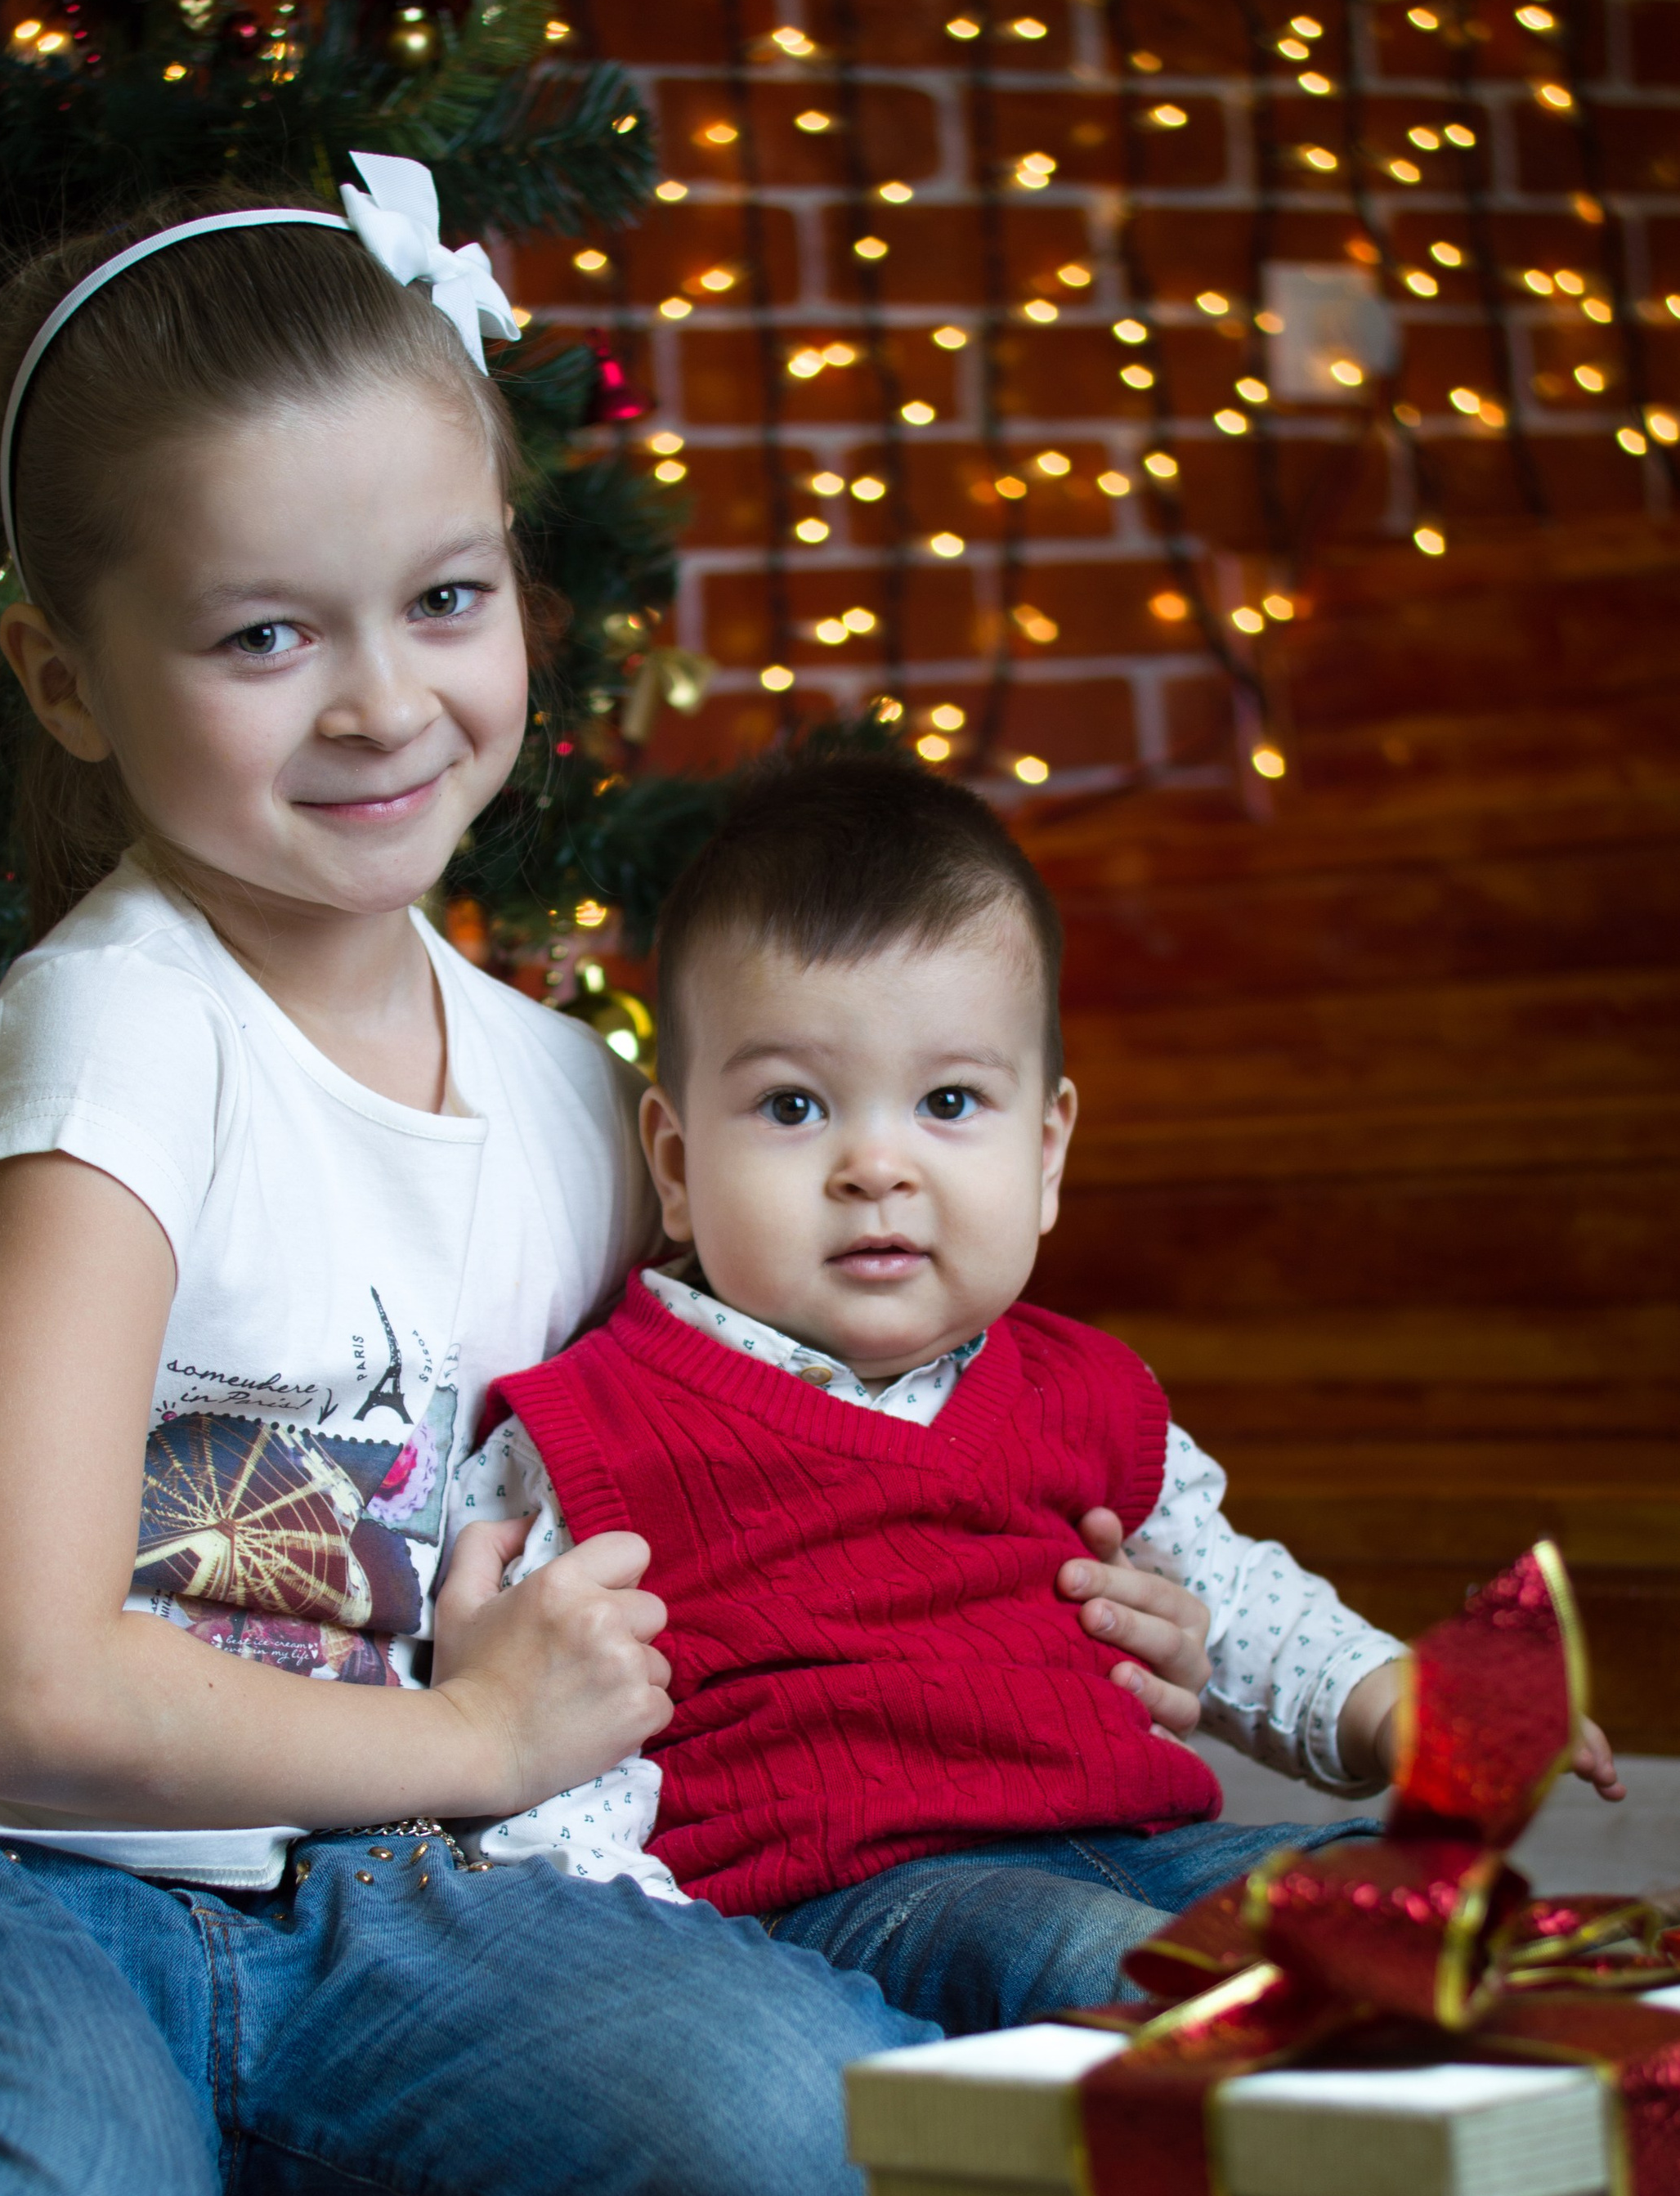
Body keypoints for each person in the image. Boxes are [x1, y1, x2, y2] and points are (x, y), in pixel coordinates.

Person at [0, 162, 1205, 2196]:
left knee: (812, 2151)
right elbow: (25, 1694)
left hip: (370, 1895)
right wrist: (472, 1739)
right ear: (68, 675)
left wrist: (1060, 1587)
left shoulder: (565, 1091)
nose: (379, 703)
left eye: (442, 599)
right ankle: (80, 2192)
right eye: (262, 638)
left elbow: (748, 1458)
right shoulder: (108, 1056)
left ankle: (188, 2176)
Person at [457, 756, 1623, 2029]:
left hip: (1135, 1834)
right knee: (1108, 1959)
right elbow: (559, 1761)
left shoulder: (1085, 1386)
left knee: (1385, 1899)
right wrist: (678, 1973)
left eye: (950, 1102)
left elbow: (1231, 1598)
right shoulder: (597, 1426)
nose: (877, 1167)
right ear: (677, 1167)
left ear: (1047, 1151)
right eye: (795, 1106)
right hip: (866, 1895)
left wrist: (1401, 1703)